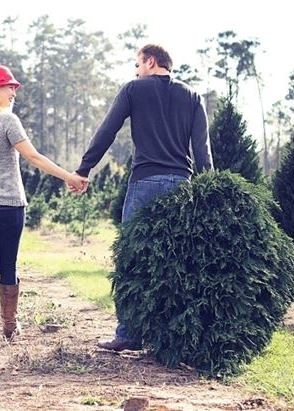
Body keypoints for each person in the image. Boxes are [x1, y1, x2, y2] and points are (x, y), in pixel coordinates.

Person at [72, 44, 213, 351]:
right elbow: (202, 151)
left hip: (145, 182)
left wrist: (84, 169)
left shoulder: (134, 90)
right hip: (181, 185)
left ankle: (129, 334)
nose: (135, 71)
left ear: (151, 62)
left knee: (133, 258)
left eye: (137, 64)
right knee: (174, 261)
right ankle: (170, 337)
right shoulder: (192, 96)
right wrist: (209, 190)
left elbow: (107, 131)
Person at [0, 65, 88, 349]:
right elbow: (34, 157)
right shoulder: (8, 121)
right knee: (8, 265)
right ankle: (8, 328)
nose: (14, 91)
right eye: (9, 87)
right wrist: (69, 176)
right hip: (9, 204)